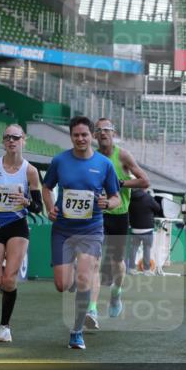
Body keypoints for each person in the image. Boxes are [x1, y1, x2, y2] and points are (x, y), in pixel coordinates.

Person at [42, 116, 120, 350]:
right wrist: (50, 207)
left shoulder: (104, 165)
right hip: (63, 231)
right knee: (61, 284)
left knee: (85, 278)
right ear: (71, 137)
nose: (80, 139)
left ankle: (76, 332)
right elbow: (46, 188)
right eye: (76, 135)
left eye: (84, 134)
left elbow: (115, 197)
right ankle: (73, 273)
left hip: (91, 230)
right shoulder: (60, 161)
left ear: (92, 136)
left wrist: (109, 204)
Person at [0, 124, 42, 343]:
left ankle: (4, 328)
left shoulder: (30, 171)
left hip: (17, 225)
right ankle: (1, 268)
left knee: (9, 280)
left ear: (24, 140)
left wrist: (27, 202)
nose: (11, 141)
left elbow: (38, 207)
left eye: (15, 137)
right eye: (7, 137)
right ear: (3, 142)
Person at [85, 118, 150, 329]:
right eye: (99, 130)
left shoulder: (122, 155)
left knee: (117, 264)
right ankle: (92, 310)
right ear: (94, 135)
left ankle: (116, 293)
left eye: (107, 130)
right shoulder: (90, 156)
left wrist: (120, 183)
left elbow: (144, 181)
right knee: (94, 262)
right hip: (97, 214)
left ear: (113, 133)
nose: (103, 133)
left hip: (119, 214)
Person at [127, 187, 163, 274]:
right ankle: (146, 270)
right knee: (147, 249)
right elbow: (158, 208)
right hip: (147, 229)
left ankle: (131, 268)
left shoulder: (130, 197)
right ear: (145, 188)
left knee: (133, 249)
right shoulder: (148, 197)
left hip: (134, 229)